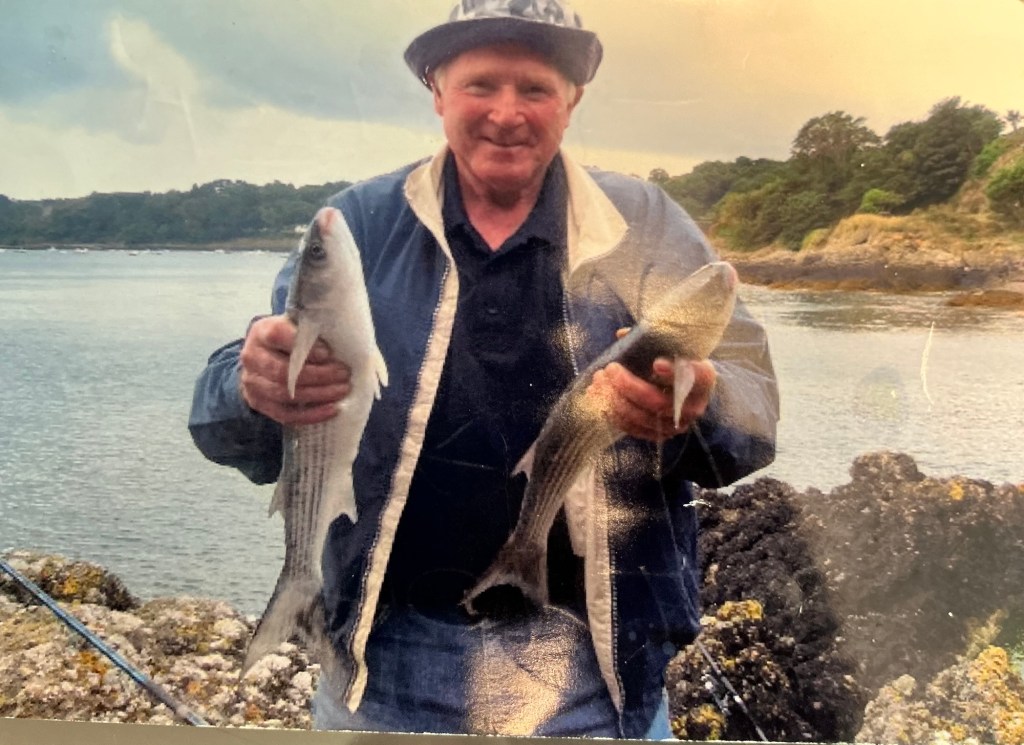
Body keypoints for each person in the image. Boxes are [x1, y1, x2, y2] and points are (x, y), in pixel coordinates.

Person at [189, 0, 779, 739]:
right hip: (381, 667)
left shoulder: (648, 224)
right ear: (437, 90)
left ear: (572, 100)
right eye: (480, 85)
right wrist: (248, 387)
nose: (507, 113)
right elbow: (226, 419)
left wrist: (699, 410)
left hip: (596, 673)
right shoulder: (357, 224)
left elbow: (755, 412)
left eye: (534, 88)